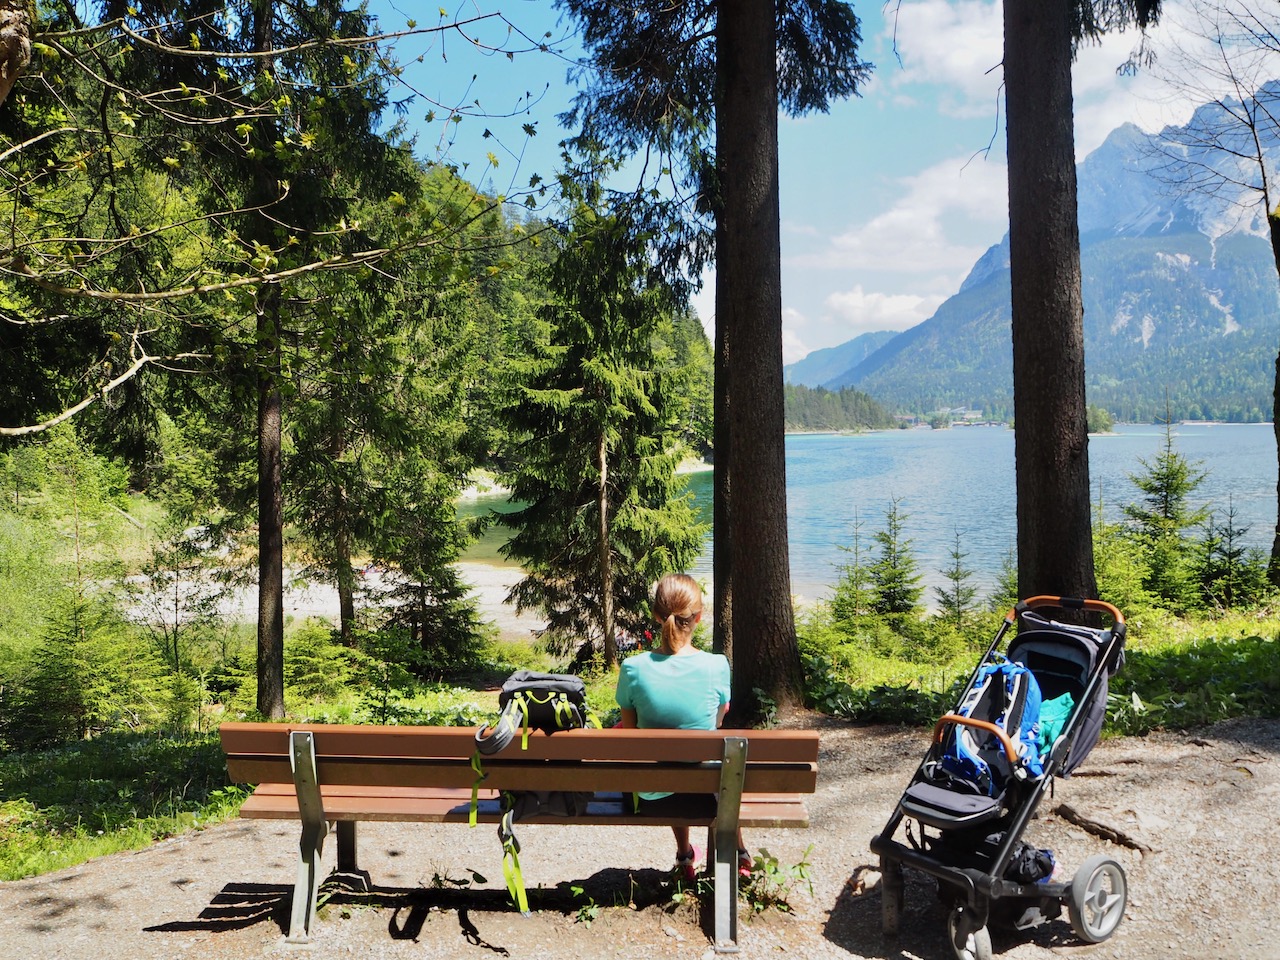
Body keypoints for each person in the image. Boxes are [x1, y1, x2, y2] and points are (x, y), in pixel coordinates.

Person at [615, 573, 752, 883]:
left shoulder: (632, 668)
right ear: (699, 617)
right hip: (708, 797)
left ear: (655, 615)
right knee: (716, 763)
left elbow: (631, 734)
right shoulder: (717, 665)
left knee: (665, 764)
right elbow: (715, 724)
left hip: (650, 799)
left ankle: (684, 856)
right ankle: (739, 851)